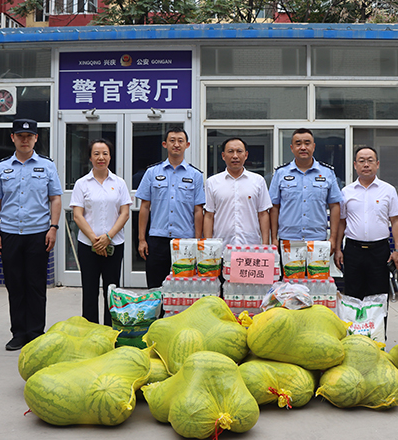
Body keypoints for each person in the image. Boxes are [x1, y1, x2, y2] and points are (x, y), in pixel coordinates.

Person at [0, 119, 62, 351]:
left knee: (36, 285)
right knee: (15, 285)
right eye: (20, 135)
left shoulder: (47, 166)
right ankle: (18, 333)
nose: (24, 139)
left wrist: (54, 227)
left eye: (29, 135)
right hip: (9, 233)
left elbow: (56, 198)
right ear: (12, 137)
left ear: (36, 138)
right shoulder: (1, 167)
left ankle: (35, 333)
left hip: (38, 234)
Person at [70, 139, 131, 326]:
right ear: (90, 157)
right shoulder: (82, 184)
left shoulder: (119, 183)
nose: (101, 157)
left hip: (114, 245)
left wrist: (108, 237)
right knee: (89, 290)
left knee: (112, 291)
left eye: (105, 153)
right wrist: (95, 240)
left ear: (110, 157)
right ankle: (91, 332)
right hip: (88, 246)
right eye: (96, 153)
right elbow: (78, 215)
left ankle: (110, 331)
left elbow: (125, 213)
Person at [135, 127, 205, 288]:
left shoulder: (195, 175)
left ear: (187, 145)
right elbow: (145, 207)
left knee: (184, 288)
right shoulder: (152, 172)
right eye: (172, 140)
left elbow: (198, 210)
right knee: (155, 287)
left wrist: (197, 240)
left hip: (185, 240)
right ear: (164, 144)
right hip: (157, 239)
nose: (176, 144)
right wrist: (141, 239)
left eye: (180, 141)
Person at [335, 146, 398, 302]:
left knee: (379, 296)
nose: (366, 164)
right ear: (355, 165)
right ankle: (354, 327)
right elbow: (341, 222)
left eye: (370, 160)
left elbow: (396, 221)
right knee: (353, 296)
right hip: (353, 251)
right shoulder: (346, 191)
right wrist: (338, 249)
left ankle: (378, 328)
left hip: (380, 252)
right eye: (361, 161)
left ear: (377, 164)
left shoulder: (388, 190)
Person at [269, 128, 342, 252]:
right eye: (298, 144)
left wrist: (333, 239)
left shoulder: (327, 173)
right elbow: (274, 207)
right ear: (292, 148)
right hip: (288, 240)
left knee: (317, 272)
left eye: (307, 143)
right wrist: (273, 238)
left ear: (313, 147)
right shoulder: (280, 173)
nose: (303, 147)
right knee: (290, 272)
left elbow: (335, 206)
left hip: (318, 240)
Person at [203, 137, 272, 246]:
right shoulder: (212, 182)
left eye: (239, 151)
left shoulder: (258, 181)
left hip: (251, 247)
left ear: (246, 155)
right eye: (230, 151)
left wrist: (266, 245)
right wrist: (208, 246)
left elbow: (263, 214)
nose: (235, 156)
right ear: (223, 156)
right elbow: (209, 215)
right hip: (221, 247)